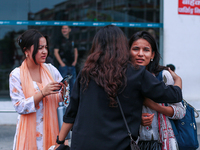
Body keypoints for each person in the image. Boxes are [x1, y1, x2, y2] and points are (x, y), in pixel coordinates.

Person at [54, 25, 183, 150]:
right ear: (123, 46)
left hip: (82, 144)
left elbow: (71, 112)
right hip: (118, 145)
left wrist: (60, 141)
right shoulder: (136, 73)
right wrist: (178, 80)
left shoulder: (86, 72)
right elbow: (174, 95)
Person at [9, 29, 66, 150]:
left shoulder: (51, 70)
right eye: (40, 48)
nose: (45, 51)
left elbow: (64, 101)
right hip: (29, 134)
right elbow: (19, 106)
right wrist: (42, 93)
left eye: (45, 47)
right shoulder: (16, 75)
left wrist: (64, 92)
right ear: (26, 51)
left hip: (53, 131)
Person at [129, 31, 185, 150]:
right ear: (128, 52)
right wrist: (138, 120)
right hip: (133, 143)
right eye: (136, 49)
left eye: (146, 50)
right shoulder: (122, 78)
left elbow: (180, 111)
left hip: (163, 142)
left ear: (152, 55)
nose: (140, 54)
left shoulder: (163, 76)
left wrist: (154, 106)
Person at [54, 25, 78, 92]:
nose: (64, 30)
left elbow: (75, 50)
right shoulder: (59, 40)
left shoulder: (72, 39)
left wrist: (75, 61)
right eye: (63, 28)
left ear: (69, 30)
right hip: (63, 66)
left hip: (72, 65)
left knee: (73, 84)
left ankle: (72, 101)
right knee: (62, 84)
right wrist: (62, 63)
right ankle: (62, 100)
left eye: (66, 28)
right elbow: (56, 52)